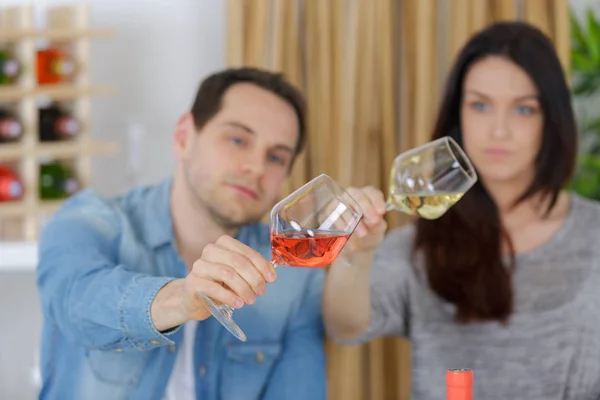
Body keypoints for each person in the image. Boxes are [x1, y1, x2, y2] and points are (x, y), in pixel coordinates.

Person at [323, 21, 600, 400]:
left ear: (551, 120)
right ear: (459, 115)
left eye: (523, 109)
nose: (498, 131)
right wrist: (355, 258)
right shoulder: (423, 242)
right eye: (480, 105)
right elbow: (346, 326)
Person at [36, 67, 327, 400]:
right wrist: (180, 298)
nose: (257, 168)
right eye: (237, 139)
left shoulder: (293, 279)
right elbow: (78, 305)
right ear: (183, 137)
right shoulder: (87, 221)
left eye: (275, 157)